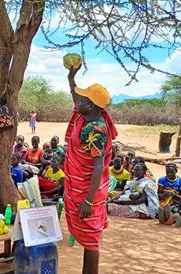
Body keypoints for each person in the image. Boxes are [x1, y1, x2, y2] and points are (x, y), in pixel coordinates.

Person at [64, 65, 117, 274]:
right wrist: (71, 77)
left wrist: (88, 199)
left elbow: (97, 168)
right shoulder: (85, 116)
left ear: (93, 106)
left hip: (88, 190)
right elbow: (76, 99)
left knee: (92, 237)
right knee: (89, 237)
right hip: (80, 187)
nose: (79, 102)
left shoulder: (95, 130)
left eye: (84, 100)